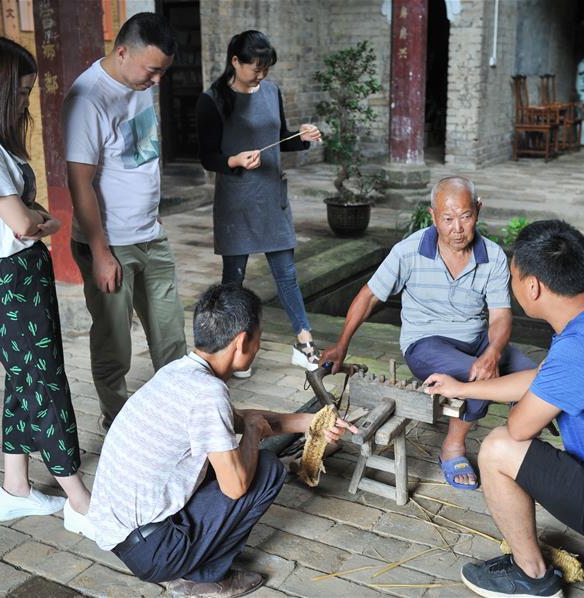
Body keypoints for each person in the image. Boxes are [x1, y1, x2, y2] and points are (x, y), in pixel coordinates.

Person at [425, 220, 584, 597]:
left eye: (513, 277)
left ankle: (531, 576)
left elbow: (518, 429)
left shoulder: (581, 350)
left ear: (532, 286)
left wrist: (529, 411)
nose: (512, 286)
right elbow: (542, 379)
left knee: (497, 448)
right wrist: (464, 387)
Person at [88, 284, 357, 597]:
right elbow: (236, 486)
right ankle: (203, 577)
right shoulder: (208, 393)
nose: (259, 345)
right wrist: (254, 435)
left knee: (231, 456)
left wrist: (313, 423)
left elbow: (239, 418)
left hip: (128, 538)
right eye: (259, 336)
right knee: (267, 470)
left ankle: (193, 558)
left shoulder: (180, 372)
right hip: (155, 552)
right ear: (242, 342)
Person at [0, 36, 93, 537]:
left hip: (21, 272)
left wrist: (33, 221)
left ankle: (16, 490)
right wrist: (41, 223)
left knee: (24, 376)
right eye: (22, 92)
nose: (25, 102)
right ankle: (79, 499)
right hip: (10, 278)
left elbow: (26, 218)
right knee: (45, 381)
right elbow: (24, 224)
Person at [320, 176, 535, 490]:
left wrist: (492, 353)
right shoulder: (408, 252)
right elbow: (368, 297)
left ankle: (521, 441)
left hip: (478, 341)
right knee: (481, 377)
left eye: (465, 216)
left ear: (478, 210)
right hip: (426, 343)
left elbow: (501, 317)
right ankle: (453, 447)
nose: (457, 228)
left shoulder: (493, 257)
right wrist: (342, 345)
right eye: (447, 219)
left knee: (537, 377)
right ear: (433, 216)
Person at [63, 13, 187, 429]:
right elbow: (79, 182)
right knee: (115, 344)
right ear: (122, 52)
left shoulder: (139, 83)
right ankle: (116, 420)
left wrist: (151, 219)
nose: (156, 82)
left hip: (150, 235)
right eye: (152, 71)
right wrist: (99, 251)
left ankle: (176, 414)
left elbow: (137, 160)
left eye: (162, 73)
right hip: (110, 244)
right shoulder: (88, 98)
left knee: (171, 339)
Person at [196, 30, 323, 377]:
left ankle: (304, 341)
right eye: (255, 68)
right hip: (236, 202)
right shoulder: (212, 100)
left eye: (266, 68)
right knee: (233, 281)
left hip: (270, 197)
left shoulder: (271, 91)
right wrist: (234, 161)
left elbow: (279, 138)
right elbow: (207, 157)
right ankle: (232, 349)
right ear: (235, 61)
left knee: (287, 273)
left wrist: (303, 137)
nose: (261, 75)